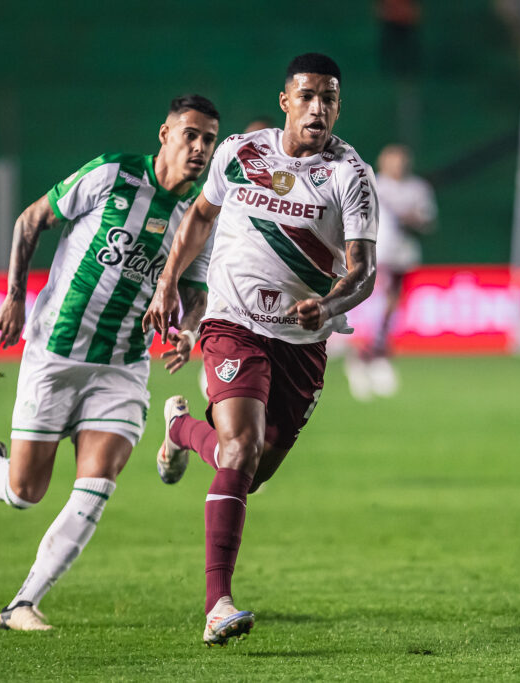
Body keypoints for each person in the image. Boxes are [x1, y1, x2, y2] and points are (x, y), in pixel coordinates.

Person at [0, 95, 220, 630]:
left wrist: (188, 331)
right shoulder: (112, 174)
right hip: (55, 352)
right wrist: (13, 297)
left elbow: (196, 292)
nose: (199, 148)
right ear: (164, 134)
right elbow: (32, 220)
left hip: (121, 366)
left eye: (209, 139)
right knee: (27, 492)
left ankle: (21, 604)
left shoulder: (197, 220)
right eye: (190, 134)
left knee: (97, 483)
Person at [143, 53, 378, 646]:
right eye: (307, 96)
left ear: (339, 106)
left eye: (329, 98)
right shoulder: (241, 153)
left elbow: (365, 272)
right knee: (240, 448)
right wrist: (170, 280)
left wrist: (326, 307)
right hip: (233, 322)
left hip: (302, 339)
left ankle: (179, 430)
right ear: (285, 102)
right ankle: (217, 603)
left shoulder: (350, 176)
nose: (317, 108)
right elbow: (200, 216)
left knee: (252, 470)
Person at [345, 143, 436, 400]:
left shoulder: (417, 188)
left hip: (403, 254)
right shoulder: (373, 184)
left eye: (401, 161)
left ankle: (374, 354)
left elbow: (428, 221)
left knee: (394, 305)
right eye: (393, 161)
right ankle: (366, 355)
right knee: (379, 303)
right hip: (377, 254)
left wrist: (412, 218)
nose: (398, 165)